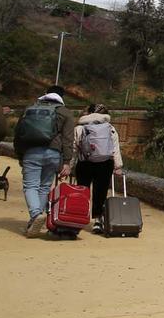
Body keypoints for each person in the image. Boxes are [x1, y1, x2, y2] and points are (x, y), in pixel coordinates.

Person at [13, 85, 76, 236]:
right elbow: (68, 140)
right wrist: (67, 162)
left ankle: (36, 215)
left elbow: (18, 134)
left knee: (30, 186)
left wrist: (20, 156)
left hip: (31, 152)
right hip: (53, 154)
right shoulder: (65, 113)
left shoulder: (29, 109)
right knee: (43, 187)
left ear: (45, 94)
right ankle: (35, 220)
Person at [62, 103, 123, 233]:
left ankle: (78, 218)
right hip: (105, 164)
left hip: (85, 163)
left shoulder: (80, 128)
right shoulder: (110, 128)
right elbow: (115, 148)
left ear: (88, 113)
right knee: (100, 192)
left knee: (82, 191)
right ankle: (97, 221)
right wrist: (118, 166)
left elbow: (74, 149)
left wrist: (69, 165)